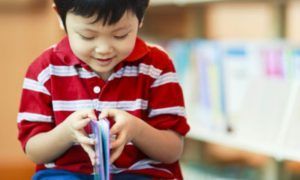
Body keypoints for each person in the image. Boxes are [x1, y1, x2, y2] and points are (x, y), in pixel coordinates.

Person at [17, 0, 190, 179]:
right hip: (66, 173)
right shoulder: (44, 70)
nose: (104, 50)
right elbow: (34, 151)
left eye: (120, 35)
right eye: (87, 36)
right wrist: (67, 132)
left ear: (141, 17)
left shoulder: (157, 66)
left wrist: (137, 130)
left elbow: (172, 151)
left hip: (139, 173)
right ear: (60, 17)